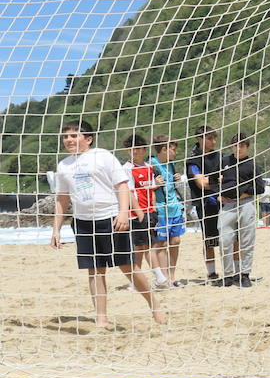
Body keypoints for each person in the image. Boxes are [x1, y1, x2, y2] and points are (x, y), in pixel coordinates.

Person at [49, 121, 163, 327]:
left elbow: (122, 185)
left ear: (88, 139)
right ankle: (101, 318)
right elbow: (62, 200)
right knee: (94, 270)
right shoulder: (63, 165)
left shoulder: (102, 156)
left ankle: (154, 304)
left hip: (110, 218)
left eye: (74, 136)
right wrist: (56, 229)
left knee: (127, 266)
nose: (68, 140)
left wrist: (122, 213)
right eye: (65, 136)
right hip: (83, 223)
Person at [216, 133, 265, 287]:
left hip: (246, 203)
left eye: (242, 146)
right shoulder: (224, 162)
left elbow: (260, 187)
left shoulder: (251, 164)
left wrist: (243, 193)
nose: (238, 148)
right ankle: (229, 275)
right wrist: (218, 194)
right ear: (232, 146)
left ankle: (245, 274)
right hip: (227, 205)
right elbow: (213, 181)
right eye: (235, 145)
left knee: (247, 240)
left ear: (247, 147)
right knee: (225, 240)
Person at [121, 133, 159, 284]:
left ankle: (136, 281)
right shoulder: (127, 168)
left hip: (150, 211)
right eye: (131, 149)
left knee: (144, 247)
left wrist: (154, 209)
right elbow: (129, 193)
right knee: (143, 247)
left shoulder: (149, 167)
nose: (134, 151)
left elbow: (151, 190)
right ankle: (159, 278)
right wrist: (140, 214)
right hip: (136, 214)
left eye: (137, 148)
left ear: (144, 149)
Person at [148, 135, 186, 288]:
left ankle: (171, 275)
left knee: (176, 241)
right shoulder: (152, 165)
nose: (174, 153)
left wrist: (176, 178)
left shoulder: (171, 165)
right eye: (173, 149)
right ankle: (163, 278)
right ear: (164, 149)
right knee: (161, 243)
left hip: (175, 208)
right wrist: (154, 184)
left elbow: (171, 184)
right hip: (161, 209)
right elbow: (144, 186)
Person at [186, 126, 222, 281]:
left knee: (232, 238)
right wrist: (219, 179)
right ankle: (212, 273)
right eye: (209, 138)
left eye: (214, 138)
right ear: (199, 139)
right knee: (209, 241)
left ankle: (236, 271)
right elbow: (201, 183)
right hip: (206, 204)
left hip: (225, 202)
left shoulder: (219, 156)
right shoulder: (193, 159)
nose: (213, 141)